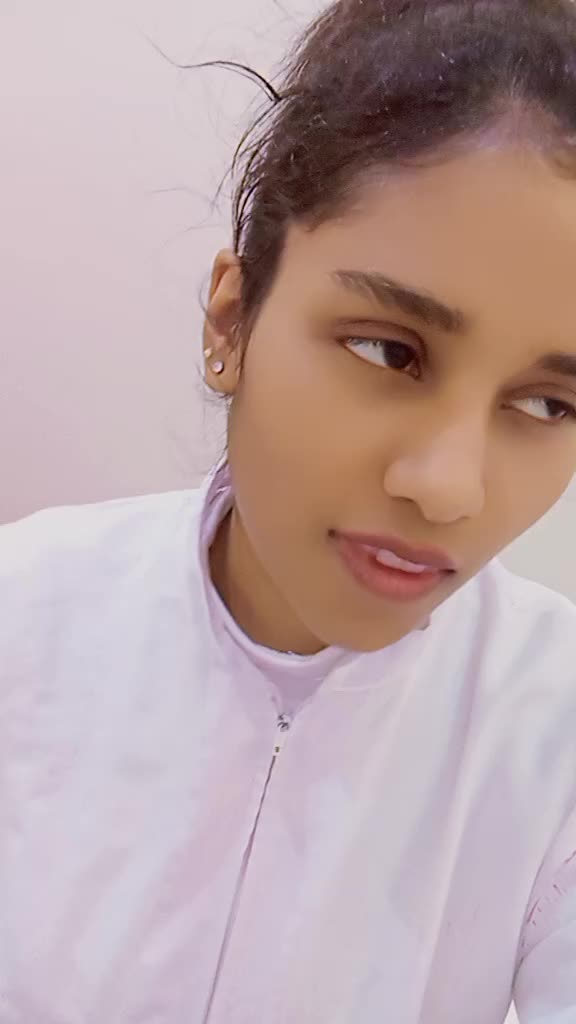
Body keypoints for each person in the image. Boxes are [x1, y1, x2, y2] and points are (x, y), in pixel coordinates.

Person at [3, 0, 576, 1020]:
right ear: (232, 319)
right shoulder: (25, 615)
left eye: (546, 405)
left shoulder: (553, 730)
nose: (449, 486)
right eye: (388, 351)